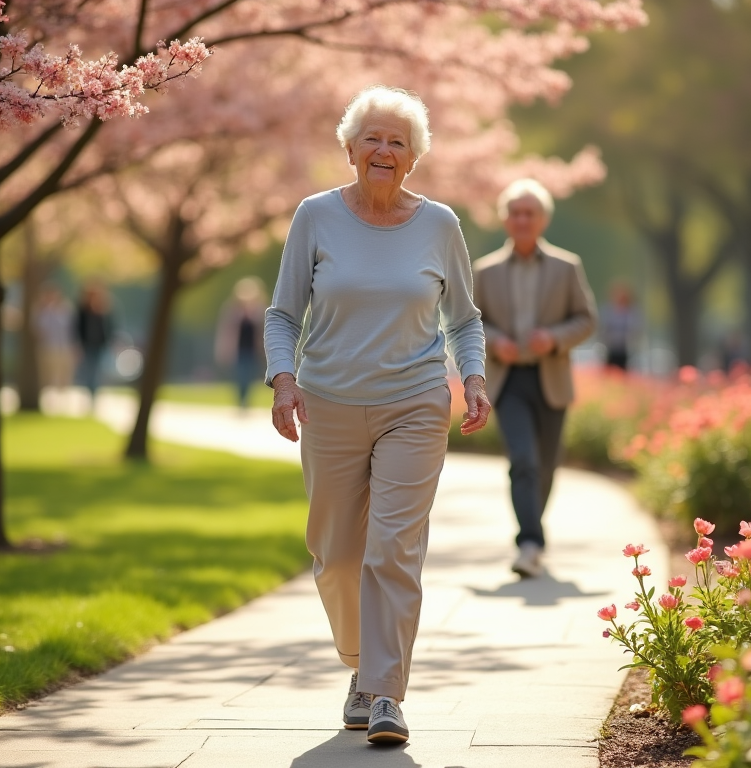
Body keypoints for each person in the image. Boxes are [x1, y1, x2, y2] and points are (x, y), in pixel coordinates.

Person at [264, 85, 490, 746]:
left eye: (397, 141)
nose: (384, 150)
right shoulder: (315, 217)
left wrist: (472, 378)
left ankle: (385, 693)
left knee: (392, 549)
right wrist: (284, 382)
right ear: (350, 148)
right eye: (373, 138)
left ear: (414, 156)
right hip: (329, 402)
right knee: (336, 557)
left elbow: (465, 319)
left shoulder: (440, 225)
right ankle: (362, 667)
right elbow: (283, 313)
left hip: (415, 404)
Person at [472, 179, 597, 579]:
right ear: (505, 219)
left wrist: (555, 339)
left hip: (551, 378)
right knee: (522, 460)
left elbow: (587, 319)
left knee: (545, 466)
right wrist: (496, 341)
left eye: (530, 213)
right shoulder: (485, 271)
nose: (522, 219)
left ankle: (532, 535)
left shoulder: (567, 266)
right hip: (507, 382)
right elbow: (470, 322)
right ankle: (530, 543)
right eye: (515, 212)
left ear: (542, 219)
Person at [215, 277, 266, 408]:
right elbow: (226, 333)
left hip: (253, 351)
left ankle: (245, 401)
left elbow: (262, 331)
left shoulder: (259, 311)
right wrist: (224, 350)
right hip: (238, 351)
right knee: (241, 376)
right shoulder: (232, 311)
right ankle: (241, 401)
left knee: (250, 376)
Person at [74, 280, 113, 402]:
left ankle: (93, 394)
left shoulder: (104, 309)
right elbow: (78, 327)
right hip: (87, 344)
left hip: (100, 344)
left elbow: (109, 327)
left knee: (97, 370)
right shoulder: (83, 310)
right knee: (88, 370)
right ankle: (89, 393)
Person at [34, 283, 76, 392]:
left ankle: (62, 397)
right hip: (48, 347)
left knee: (64, 375)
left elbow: (71, 329)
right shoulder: (42, 310)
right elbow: (39, 329)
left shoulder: (66, 309)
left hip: (64, 347)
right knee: (49, 376)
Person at [599, 280, 641, 370]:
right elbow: (603, 328)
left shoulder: (631, 312)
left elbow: (635, 330)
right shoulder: (608, 310)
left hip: (625, 349)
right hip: (610, 348)